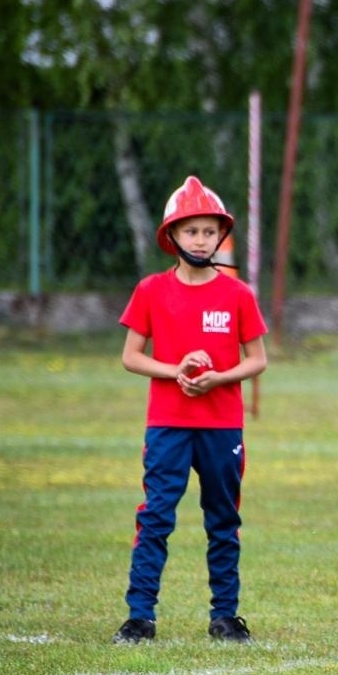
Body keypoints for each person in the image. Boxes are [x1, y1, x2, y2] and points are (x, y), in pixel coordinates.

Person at [114, 176, 268, 644]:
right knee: (156, 516)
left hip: (222, 426)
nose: (200, 239)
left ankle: (225, 616)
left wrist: (218, 378)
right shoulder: (151, 291)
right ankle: (140, 617)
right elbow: (131, 356)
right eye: (190, 231)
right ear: (172, 237)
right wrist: (174, 370)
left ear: (220, 236)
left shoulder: (237, 294)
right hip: (167, 424)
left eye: (208, 231)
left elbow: (258, 359)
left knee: (222, 520)